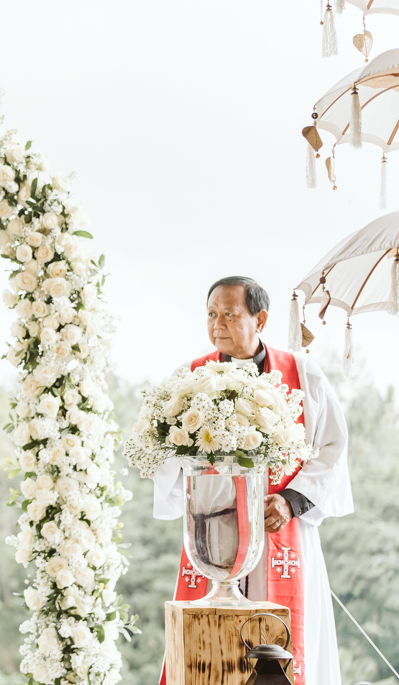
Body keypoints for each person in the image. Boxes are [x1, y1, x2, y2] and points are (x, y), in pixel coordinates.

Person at [153, 276, 353, 685]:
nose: (217, 324)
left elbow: (333, 447)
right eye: (211, 314)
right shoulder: (189, 379)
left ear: (260, 319)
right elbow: (164, 454)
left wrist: (291, 500)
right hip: (212, 534)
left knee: (284, 647)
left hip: (279, 529)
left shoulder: (302, 374)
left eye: (229, 314)